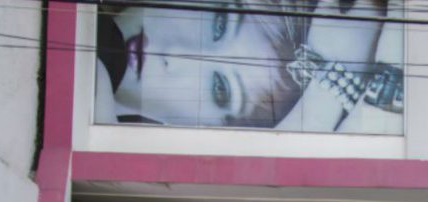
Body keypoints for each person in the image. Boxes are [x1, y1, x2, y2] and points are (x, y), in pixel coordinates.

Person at [94, 0, 403, 133]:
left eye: (219, 88)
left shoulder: (92, 83)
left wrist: (328, 91)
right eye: (218, 25)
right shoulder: (81, 50)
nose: (176, 55)